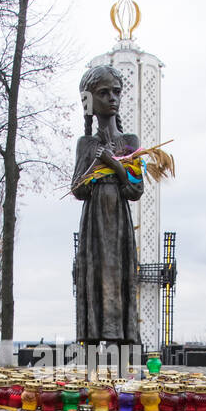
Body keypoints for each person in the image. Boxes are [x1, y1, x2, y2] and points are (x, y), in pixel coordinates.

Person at [71, 64, 142, 351]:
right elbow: (77, 188)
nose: (112, 98)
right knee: (94, 275)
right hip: (94, 225)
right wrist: (94, 166)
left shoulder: (130, 142)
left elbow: (135, 189)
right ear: (90, 100)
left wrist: (114, 165)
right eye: (104, 93)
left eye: (116, 92)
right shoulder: (86, 143)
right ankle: (90, 341)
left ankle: (120, 342)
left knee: (119, 276)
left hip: (120, 225)